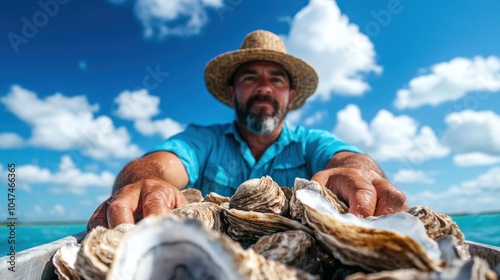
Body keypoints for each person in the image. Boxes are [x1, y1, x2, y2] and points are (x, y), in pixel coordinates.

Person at [87, 30, 408, 230]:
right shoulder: (203, 141)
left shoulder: (312, 143)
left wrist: (359, 175)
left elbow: (349, 160)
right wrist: (145, 182)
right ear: (232, 93)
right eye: (250, 77)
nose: (264, 88)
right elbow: (159, 164)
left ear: (291, 96)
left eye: (277, 79)